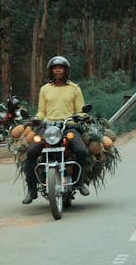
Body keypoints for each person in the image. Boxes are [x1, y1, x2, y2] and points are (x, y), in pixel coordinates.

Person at [22, 55, 90, 204]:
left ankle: (80, 182)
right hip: (48, 128)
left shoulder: (75, 88)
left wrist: (82, 117)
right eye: (55, 68)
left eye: (60, 68)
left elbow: (80, 110)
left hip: (69, 126)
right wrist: (35, 119)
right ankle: (32, 190)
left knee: (82, 151)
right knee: (31, 151)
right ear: (51, 71)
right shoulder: (45, 89)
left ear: (66, 70)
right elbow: (41, 111)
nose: (58, 70)